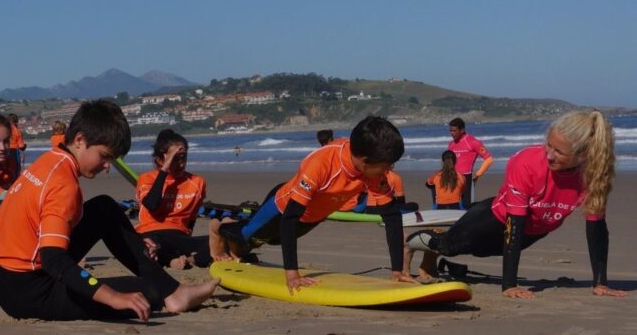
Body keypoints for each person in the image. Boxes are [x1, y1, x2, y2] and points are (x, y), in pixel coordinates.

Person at [0, 100, 219, 321]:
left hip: (4, 276)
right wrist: (111, 296)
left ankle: (174, 293)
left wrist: (133, 241)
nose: (107, 166)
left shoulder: (50, 160)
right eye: (105, 156)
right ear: (80, 140)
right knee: (146, 293)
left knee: (104, 208)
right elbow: (54, 260)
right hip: (28, 292)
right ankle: (172, 295)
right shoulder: (63, 186)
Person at [406, 110, 626, 299]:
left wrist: (600, 283)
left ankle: (432, 255)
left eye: (559, 152)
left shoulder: (594, 175)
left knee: (480, 253)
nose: (549, 155)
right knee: (448, 246)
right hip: (492, 219)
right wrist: (509, 285)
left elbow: (597, 230)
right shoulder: (526, 162)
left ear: (583, 155)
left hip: (529, 234)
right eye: (548, 145)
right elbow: (515, 223)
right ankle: (408, 245)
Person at [217, 116, 415, 293]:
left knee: (271, 242)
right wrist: (292, 274)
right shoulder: (321, 163)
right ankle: (219, 229)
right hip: (281, 208)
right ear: (365, 161)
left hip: (311, 217)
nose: (391, 169)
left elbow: (392, 217)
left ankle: (236, 247)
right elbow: (289, 218)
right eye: (388, 164)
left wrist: (397, 271)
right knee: (248, 238)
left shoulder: (374, 172)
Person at [134, 129, 232, 269]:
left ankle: (189, 259)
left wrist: (189, 239)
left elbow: (191, 219)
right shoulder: (147, 179)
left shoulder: (197, 182)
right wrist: (165, 170)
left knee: (227, 240)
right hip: (151, 234)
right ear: (159, 160)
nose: (181, 164)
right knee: (146, 247)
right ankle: (174, 259)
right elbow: (152, 204)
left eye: (183, 157)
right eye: (175, 159)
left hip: (180, 237)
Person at [447, 118, 493, 208]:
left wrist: (477, 175)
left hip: (466, 178)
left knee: (467, 205)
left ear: (462, 130)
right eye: (450, 130)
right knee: (452, 205)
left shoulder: (472, 142)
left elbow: (489, 159)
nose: (451, 133)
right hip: (452, 177)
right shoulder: (451, 144)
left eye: (454, 131)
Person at [8, 113, 26, 178]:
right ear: (16, 121)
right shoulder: (17, 131)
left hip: (4, 151)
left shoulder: (5, 130)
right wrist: (24, 146)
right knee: (16, 170)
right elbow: (21, 146)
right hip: (14, 151)